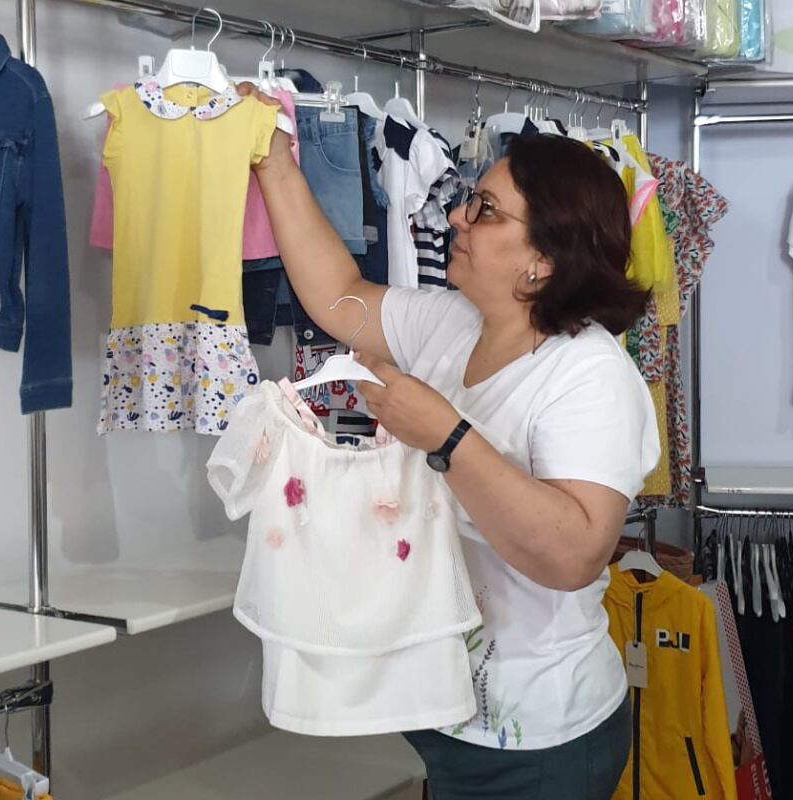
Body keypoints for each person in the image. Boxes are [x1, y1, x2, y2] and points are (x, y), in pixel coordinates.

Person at [241, 84, 661, 800]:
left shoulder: (589, 374)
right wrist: (275, 162)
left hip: (537, 736)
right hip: (443, 708)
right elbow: (337, 294)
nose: (459, 217)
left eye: (487, 210)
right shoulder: (450, 321)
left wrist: (446, 435)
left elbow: (574, 552)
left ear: (545, 260)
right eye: (472, 199)